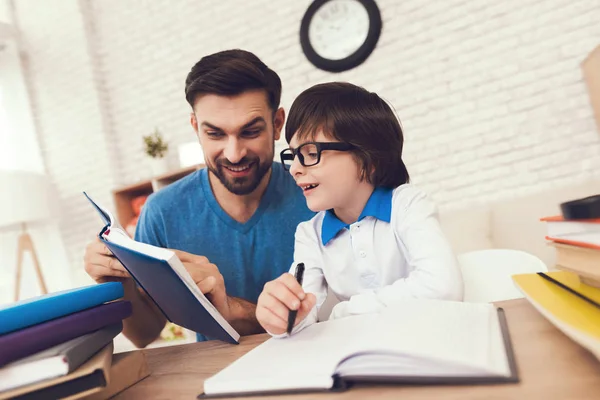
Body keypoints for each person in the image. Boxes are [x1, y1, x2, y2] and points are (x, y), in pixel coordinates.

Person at [84, 49, 314, 346]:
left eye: (251, 131)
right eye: (215, 134)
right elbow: (145, 334)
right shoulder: (162, 213)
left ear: (278, 124)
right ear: (196, 127)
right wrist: (114, 278)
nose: (234, 153)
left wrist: (234, 309)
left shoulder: (316, 193)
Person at [255, 82, 464, 336]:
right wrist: (281, 316)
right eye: (293, 155)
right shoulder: (309, 234)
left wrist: (343, 313)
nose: (295, 169)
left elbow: (442, 286)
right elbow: (302, 317)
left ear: (369, 158)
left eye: (311, 153)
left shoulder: (407, 205)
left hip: (429, 338)